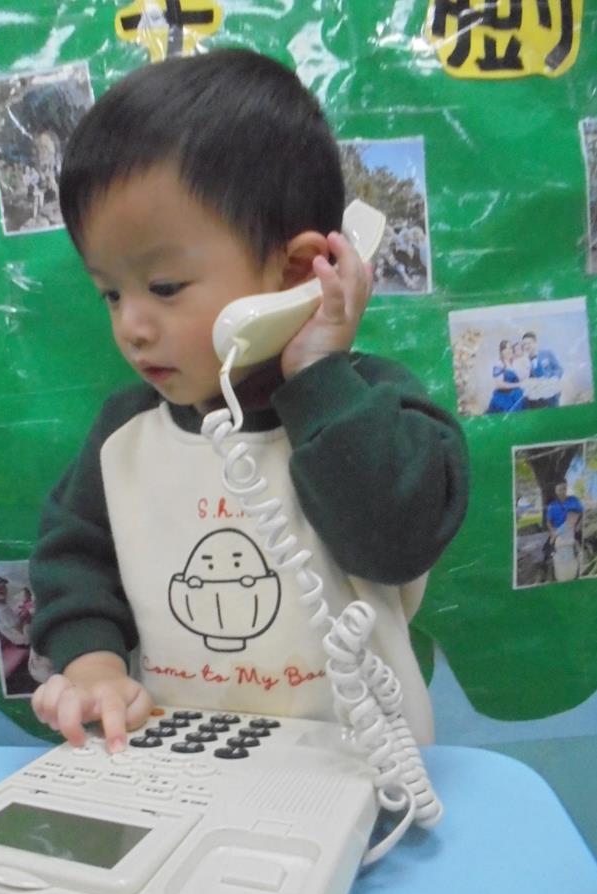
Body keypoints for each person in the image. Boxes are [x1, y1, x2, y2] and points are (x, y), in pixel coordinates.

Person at [28, 49, 470, 754]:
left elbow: (396, 545)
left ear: (293, 272)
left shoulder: (374, 406)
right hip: (185, 762)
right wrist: (94, 669)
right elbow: (74, 562)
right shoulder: (124, 435)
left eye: (164, 287)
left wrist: (318, 376)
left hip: (358, 769)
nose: (130, 326)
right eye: (110, 293)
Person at [522, 330, 563, 409]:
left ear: (535, 343)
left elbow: (558, 369)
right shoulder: (523, 360)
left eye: (529, 343)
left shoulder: (547, 353)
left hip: (551, 393)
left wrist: (554, 378)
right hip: (534, 397)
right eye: (524, 344)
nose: (526, 346)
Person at [486, 339, 524, 414]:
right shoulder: (499, 364)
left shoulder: (513, 364)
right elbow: (499, 384)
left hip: (515, 397)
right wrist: (518, 385)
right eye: (505, 348)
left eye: (510, 348)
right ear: (501, 351)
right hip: (503, 398)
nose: (508, 350)